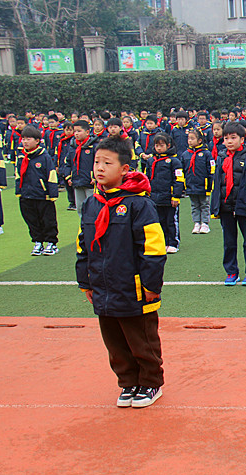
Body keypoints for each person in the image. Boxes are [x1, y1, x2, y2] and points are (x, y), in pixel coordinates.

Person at [76, 135, 167, 408]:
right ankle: (128, 382)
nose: (100, 168)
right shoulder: (92, 204)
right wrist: (86, 281)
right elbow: (84, 245)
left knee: (141, 339)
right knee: (114, 342)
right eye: (96, 162)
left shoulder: (139, 204)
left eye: (107, 163)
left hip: (135, 287)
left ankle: (151, 383)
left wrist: (151, 286)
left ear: (125, 169)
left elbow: (153, 249)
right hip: (103, 285)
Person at [210, 121, 246, 286]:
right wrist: (216, 206)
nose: (229, 141)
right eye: (226, 138)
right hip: (226, 206)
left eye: (233, 138)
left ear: (242, 139)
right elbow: (217, 183)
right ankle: (231, 271)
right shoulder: (221, 157)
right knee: (229, 241)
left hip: (245, 206)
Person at [16, 125, 59, 256]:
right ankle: (38, 241)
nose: (25, 142)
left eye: (28, 139)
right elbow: (19, 174)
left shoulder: (44, 157)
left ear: (37, 141)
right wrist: (19, 191)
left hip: (42, 195)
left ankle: (51, 242)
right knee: (31, 220)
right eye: (23, 139)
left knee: (47, 219)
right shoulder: (22, 156)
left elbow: (51, 175)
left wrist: (52, 194)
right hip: (26, 194)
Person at [146, 133, 184, 254]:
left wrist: (176, 196)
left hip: (169, 197)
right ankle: (162, 242)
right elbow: (147, 177)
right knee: (159, 221)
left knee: (171, 221)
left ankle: (173, 242)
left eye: (161, 145)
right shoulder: (151, 160)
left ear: (168, 145)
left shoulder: (174, 161)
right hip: (155, 197)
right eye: (156, 145)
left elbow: (179, 180)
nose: (158, 148)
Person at [180, 128, 215, 235]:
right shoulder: (185, 154)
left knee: (204, 204)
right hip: (190, 184)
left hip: (203, 184)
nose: (189, 141)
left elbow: (212, 169)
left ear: (200, 140)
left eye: (192, 138)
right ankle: (196, 223)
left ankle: (205, 223)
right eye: (188, 138)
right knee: (194, 205)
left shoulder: (206, 154)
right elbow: (182, 169)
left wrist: (210, 183)